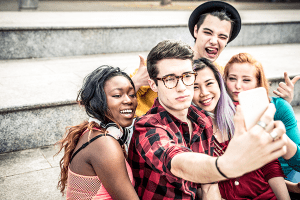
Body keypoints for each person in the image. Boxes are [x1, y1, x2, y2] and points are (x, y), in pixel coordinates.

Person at [128, 40, 288, 200]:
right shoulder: (147, 126)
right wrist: (226, 165)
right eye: (170, 79)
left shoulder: (202, 120)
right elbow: (177, 162)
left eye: (187, 76)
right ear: (153, 85)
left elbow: (208, 188)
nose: (182, 87)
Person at [193, 58, 289, 199]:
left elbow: (269, 163)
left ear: (220, 84)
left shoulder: (241, 111)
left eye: (209, 83)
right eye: (195, 87)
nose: (204, 92)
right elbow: (201, 188)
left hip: (267, 194)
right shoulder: (190, 130)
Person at [56, 66, 139, 200]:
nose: (129, 100)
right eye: (117, 95)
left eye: (132, 94)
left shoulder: (94, 132)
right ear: (97, 102)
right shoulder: (104, 144)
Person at [223, 52, 300, 198]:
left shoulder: (279, 107)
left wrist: (279, 137)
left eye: (246, 80)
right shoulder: (222, 112)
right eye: (232, 79)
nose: (237, 86)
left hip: (288, 175)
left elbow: (299, 162)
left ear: (258, 83)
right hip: (254, 183)